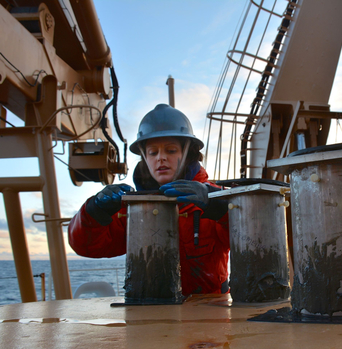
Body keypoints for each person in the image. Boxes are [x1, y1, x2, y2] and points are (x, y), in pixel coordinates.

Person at [68, 104, 230, 296]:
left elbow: (248, 237)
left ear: (188, 154)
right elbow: (87, 247)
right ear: (145, 157)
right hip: (149, 312)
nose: (160, 158)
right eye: (153, 152)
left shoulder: (215, 198)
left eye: (170, 151)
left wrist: (220, 206)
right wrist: (95, 211)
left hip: (209, 315)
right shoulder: (133, 207)